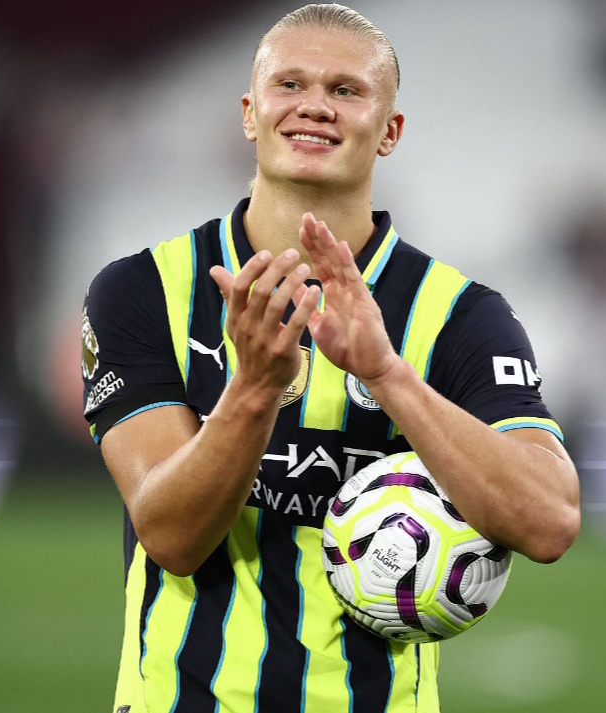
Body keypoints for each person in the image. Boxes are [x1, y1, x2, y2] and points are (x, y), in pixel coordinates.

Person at [80, 5, 580, 712]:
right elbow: (171, 535)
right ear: (250, 114)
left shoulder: (462, 315)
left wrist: (386, 372)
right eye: (290, 85)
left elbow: (548, 519)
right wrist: (254, 388)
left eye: (346, 90)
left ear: (390, 131)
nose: (314, 106)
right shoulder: (142, 290)